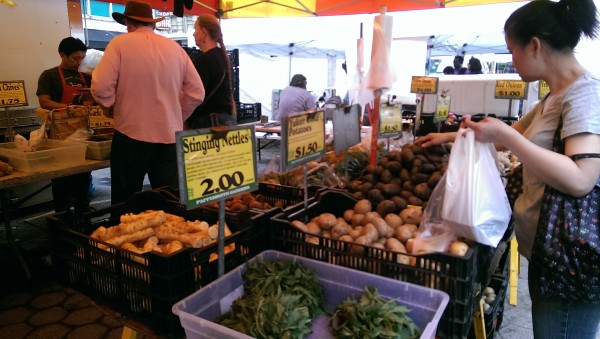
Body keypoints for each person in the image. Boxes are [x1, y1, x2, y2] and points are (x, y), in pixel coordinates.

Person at [415, 1, 600, 338]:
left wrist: (503, 136)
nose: (511, 61)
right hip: (550, 256)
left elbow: (581, 178)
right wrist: (449, 135)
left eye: (512, 52)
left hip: (570, 265)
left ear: (535, 45)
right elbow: (510, 136)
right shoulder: (554, 96)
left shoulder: (584, 95)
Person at [91, 0, 205, 205]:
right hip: (168, 137)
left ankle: (124, 235)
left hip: (131, 135)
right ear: (151, 23)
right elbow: (197, 92)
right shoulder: (175, 48)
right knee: (169, 202)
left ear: (127, 22)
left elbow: (100, 86)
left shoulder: (119, 44)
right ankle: (170, 236)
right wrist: (176, 115)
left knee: (125, 203)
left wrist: (110, 104)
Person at [36, 37, 92, 214]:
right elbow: (44, 101)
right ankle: (63, 220)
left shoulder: (86, 76)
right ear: (62, 55)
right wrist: (70, 109)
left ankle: (83, 218)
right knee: (61, 180)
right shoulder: (49, 75)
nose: (79, 62)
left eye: (82, 58)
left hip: (83, 135)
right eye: (75, 58)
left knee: (83, 177)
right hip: (59, 136)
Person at [186, 14, 236, 129]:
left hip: (208, 124)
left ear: (204, 32)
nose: (193, 33)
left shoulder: (204, 61)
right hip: (226, 122)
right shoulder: (225, 59)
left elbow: (195, 96)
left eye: (195, 29)